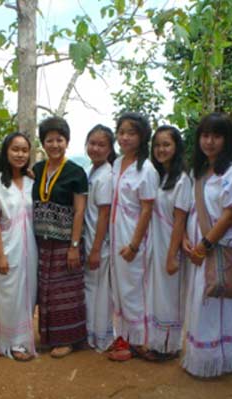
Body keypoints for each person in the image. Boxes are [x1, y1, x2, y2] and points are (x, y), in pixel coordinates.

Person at [182, 112, 232, 378]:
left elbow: (229, 215)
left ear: (227, 140)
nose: (209, 142)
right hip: (196, 251)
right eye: (205, 135)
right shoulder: (198, 173)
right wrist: (187, 241)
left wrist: (204, 246)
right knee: (198, 304)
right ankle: (198, 359)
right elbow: (190, 210)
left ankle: (215, 362)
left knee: (215, 304)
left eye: (217, 136)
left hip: (218, 250)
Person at [32, 116, 88, 358]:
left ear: (67, 142)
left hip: (66, 242)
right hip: (41, 242)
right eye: (49, 140)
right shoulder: (36, 170)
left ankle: (68, 339)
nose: (54, 145)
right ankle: (48, 337)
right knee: (45, 290)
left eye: (59, 140)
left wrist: (74, 245)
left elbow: (79, 211)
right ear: (43, 143)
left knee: (65, 292)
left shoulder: (76, 172)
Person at [107, 112, 159, 362]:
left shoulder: (146, 169)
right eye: (121, 132)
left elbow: (147, 209)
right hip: (116, 235)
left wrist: (134, 245)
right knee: (119, 288)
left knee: (134, 289)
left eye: (131, 133)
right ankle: (123, 335)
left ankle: (140, 340)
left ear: (142, 137)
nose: (125, 138)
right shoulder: (117, 163)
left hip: (133, 237)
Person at [0, 132, 38, 362]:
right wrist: (0, 255)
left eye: (24, 150)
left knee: (28, 293)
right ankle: (11, 342)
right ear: (6, 152)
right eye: (15, 149)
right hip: (8, 246)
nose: (20, 154)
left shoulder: (32, 182)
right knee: (9, 294)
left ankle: (25, 339)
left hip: (31, 248)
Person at [148, 125, 191, 361]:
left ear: (176, 147)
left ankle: (170, 345)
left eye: (166, 145)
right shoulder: (156, 176)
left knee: (170, 295)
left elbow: (180, 220)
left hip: (169, 244)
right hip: (154, 243)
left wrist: (172, 255)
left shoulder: (182, 180)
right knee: (156, 294)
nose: (161, 149)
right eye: (157, 145)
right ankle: (156, 342)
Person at [83, 125, 115, 352]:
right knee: (90, 287)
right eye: (92, 143)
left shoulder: (106, 175)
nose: (95, 148)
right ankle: (89, 332)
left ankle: (101, 336)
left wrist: (96, 249)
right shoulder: (90, 170)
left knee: (100, 289)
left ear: (110, 149)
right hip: (88, 237)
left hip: (99, 241)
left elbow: (104, 214)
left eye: (101, 145)